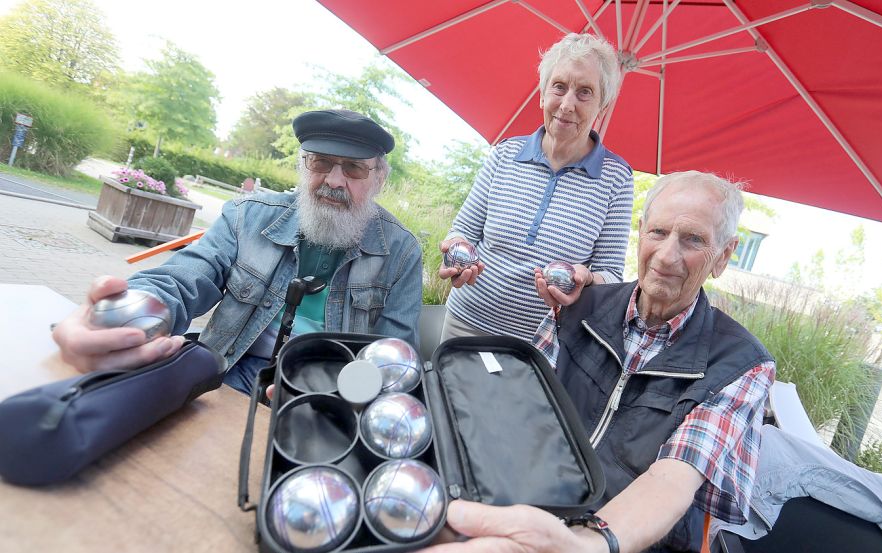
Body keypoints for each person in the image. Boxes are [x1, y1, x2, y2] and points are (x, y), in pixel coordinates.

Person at [425, 171, 777, 553]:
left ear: (723, 256)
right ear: (641, 232)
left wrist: (587, 543)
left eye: (693, 239)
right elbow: (515, 410)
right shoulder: (578, 308)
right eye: (658, 232)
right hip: (530, 507)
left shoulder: (742, 364)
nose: (667, 255)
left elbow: (672, 478)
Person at [53, 110, 423, 395]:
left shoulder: (402, 252)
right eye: (320, 162)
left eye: (354, 168)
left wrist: (339, 401)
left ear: (378, 179)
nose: (333, 180)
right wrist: (128, 314)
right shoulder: (246, 216)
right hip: (230, 368)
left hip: (330, 388)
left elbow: (393, 356)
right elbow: (184, 277)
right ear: (303, 167)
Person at [438, 33, 634, 342]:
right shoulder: (505, 154)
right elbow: (463, 229)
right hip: (467, 321)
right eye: (559, 87)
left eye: (584, 92)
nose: (567, 104)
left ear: (602, 104)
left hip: (544, 341)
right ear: (543, 94)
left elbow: (610, 272)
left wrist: (587, 280)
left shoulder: (617, 178)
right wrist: (455, 250)